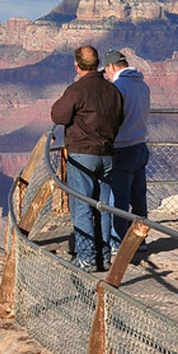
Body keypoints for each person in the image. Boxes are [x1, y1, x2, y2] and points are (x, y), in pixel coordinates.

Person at [49, 44, 125, 272]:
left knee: (81, 207)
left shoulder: (76, 90)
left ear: (77, 65)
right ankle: (103, 256)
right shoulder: (113, 90)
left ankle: (86, 258)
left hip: (82, 156)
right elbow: (120, 118)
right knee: (102, 207)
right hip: (107, 155)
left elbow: (58, 115)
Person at [102, 49, 151, 262]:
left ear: (112, 66)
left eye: (106, 70)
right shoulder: (143, 85)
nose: (106, 74)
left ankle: (119, 242)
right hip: (140, 145)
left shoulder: (118, 87)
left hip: (122, 147)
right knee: (138, 197)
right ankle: (140, 239)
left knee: (118, 199)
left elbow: (112, 117)